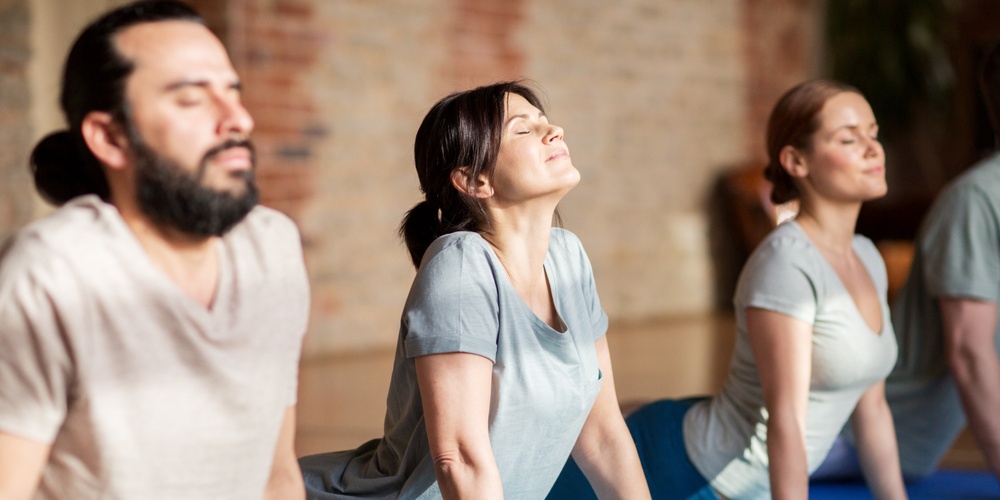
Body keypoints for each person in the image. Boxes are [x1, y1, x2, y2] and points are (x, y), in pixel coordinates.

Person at [0, 1, 309, 499]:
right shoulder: (53, 271)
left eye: (233, 92)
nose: (238, 119)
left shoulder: (271, 248)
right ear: (110, 137)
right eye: (191, 99)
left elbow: (278, 476)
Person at [549, 80, 908, 500]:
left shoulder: (867, 256)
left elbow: (872, 408)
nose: (872, 149)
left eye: (873, 133)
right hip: (689, 474)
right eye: (848, 138)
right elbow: (786, 422)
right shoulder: (786, 263)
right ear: (796, 160)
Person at [298, 81, 650, 499]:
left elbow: (603, 436)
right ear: (474, 180)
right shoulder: (462, 265)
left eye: (545, 121)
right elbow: (461, 461)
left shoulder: (568, 258)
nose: (554, 131)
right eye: (524, 129)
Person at [817, 41, 1000, 481]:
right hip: (849, 434)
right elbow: (969, 352)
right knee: (688, 442)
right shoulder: (977, 200)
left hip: (904, 450)